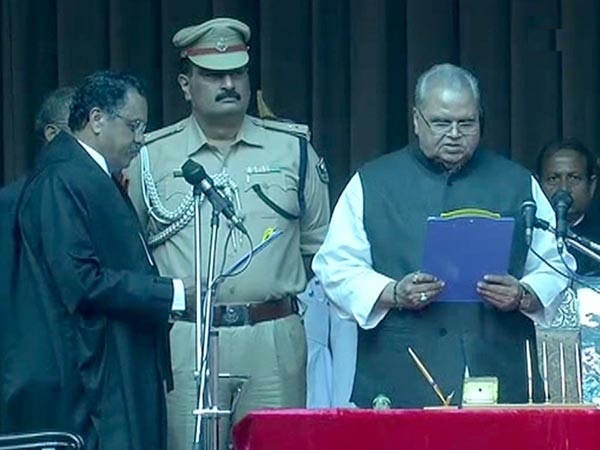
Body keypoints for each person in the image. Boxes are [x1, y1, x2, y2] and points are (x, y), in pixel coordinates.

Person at [313, 63, 574, 408]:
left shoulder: (516, 182)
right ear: (417, 121)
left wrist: (524, 294)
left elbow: (556, 262)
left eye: (466, 123)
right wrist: (392, 292)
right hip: (401, 371)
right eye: (441, 122)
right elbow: (335, 267)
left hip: (497, 363)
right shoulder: (372, 183)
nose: (454, 133)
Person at [126, 17, 330, 449]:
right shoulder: (151, 157)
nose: (228, 84)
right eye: (213, 75)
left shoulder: (292, 149)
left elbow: (320, 248)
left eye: (237, 73)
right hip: (186, 338)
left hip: (272, 335)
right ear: (186, 85)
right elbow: (129, 255)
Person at [0, 71, 192, 450]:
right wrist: (170, 294)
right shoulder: (63, 178)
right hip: (92, 384)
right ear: (97, 119)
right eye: (133, 126)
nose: (140, 139)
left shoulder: (90, 175)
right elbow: (79, 280)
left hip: (114, 370)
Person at [537, 139, 600, 275]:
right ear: (538, 185)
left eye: (574, 178)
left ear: (592, 185)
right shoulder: (528, 233)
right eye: (553, 178)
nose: (563, 188)